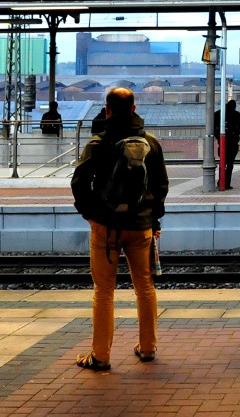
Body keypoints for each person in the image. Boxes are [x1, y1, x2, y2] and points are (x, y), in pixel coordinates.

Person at [70, 87, 169, 371]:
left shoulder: (98, 143)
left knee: (104, 291)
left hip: (106, 227)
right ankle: (147, 348)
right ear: (135, 108)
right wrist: (154, 219)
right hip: (141, 227)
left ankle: (100, 356)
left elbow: (79, 183)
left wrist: (91, 214)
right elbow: (160, 186)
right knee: (145, 287)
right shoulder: (151, 142)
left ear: (108, 110)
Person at [213, 99, 240, 190]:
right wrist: (235, 132)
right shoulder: (236, 114)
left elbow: (213, 128)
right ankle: (226, 183)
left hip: (222, 144)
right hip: (233, 143)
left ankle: (221, 181)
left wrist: (218, 136)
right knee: (230, 164)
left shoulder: (217, 114)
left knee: (223, 163)